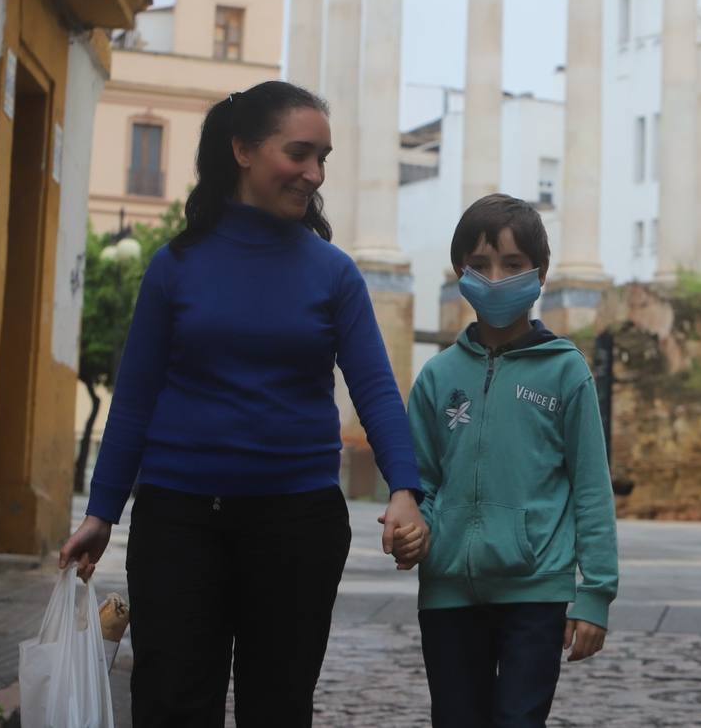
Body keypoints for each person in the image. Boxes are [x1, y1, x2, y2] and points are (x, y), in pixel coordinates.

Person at [59, 80, 428, 727]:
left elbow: (374, 387)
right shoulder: (176, 266)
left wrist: (405, 487)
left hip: (297, 525)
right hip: (178, 522)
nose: (314, 173)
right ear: (243, 150)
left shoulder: (333, 273)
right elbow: (136, 395)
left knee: (278, 709)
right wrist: (101, 511)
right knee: (171, 705)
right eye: (299, 153)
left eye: (324, 158)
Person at [406, 193, 619, 727]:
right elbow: (420, 480)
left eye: (512, 265)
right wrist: (415, 527)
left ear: (540, 274)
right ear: (460, 273)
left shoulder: (565, 372)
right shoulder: (437, 377)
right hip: (449, 591)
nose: (495, 278)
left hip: (536, 591)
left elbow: (590, 486)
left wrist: (594, 594)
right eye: (479, 265)